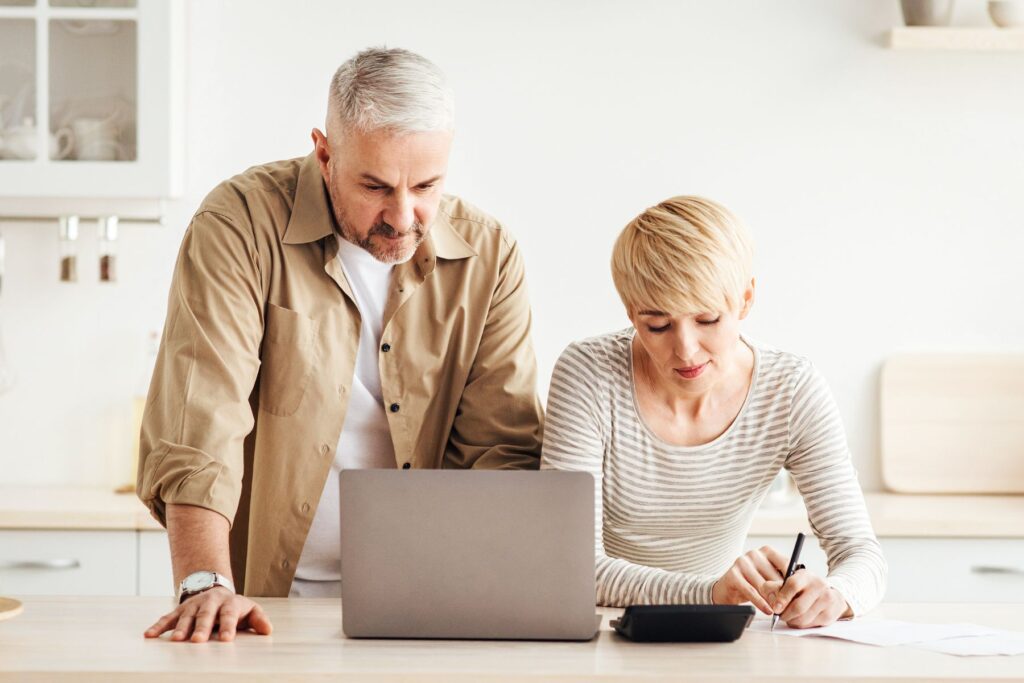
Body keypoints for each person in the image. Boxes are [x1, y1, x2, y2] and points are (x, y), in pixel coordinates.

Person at [138, 47, 543, 643]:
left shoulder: (490, 257)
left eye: (426, 185)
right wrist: (205, 584)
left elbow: (500, 452)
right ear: (324, 153)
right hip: (263, 604)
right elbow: (201, 421)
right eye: (375, 185)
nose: (402, 216)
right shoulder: (239, 224)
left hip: (427, 605)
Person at [541, 196, 886, 628]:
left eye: (707, 320)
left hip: (719, 632)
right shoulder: (588, 374)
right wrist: (708, 593)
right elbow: (570, 565)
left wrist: (835, 595)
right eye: (657, 325)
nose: (686, 350)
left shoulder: (790, 390)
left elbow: (861, 553)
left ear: (746, 299)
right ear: (631, 312)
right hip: (599, 631)